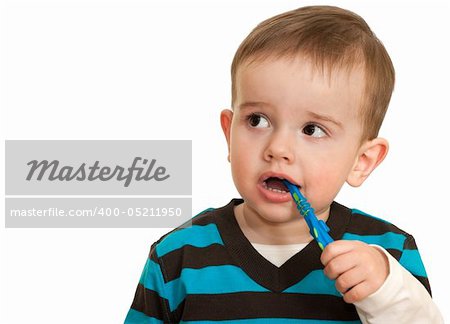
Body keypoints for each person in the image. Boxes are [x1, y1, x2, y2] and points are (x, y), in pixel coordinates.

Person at [124, 5, 443, 323]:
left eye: (312, 130)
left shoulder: (392, 253)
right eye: (257, 120)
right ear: (228, 135)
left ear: (361, 161)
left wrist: (387, 293)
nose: (278, 148)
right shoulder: (177, 257)